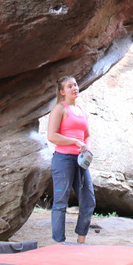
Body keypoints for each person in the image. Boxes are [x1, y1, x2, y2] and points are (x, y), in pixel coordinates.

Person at [46, 76, 96, 244]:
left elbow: (87, 135)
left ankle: (81, 240)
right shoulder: (60, 109)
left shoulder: (81, 111)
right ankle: (59, 242)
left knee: (88, 200)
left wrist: (87, 146)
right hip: (63, 159)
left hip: (81, 161)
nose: (74, 88)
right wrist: (74, 142)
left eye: (75, 85)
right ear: (62, 92)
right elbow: (52, 136)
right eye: (69, 86)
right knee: (61, 201)